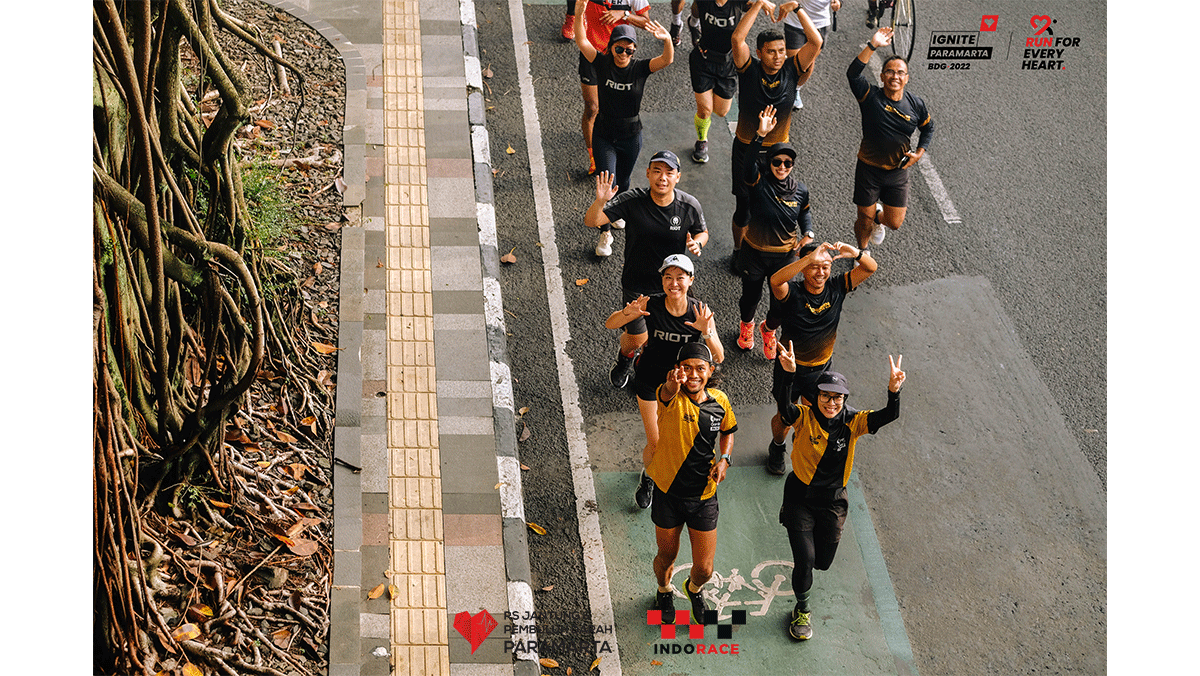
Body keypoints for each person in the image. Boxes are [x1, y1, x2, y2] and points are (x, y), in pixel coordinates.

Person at [775, 347, 905, 640]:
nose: (831, 402)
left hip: (833, 502)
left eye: (837, 397)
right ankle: (802, 610)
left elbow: (889, 415)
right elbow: (784, 408)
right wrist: (788, 374)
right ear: (816, 396)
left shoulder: (854, 421)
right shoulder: (804, 416)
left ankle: (809, 567)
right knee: (805, 560)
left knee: (822, 562)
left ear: (844, 399)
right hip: (799, 497)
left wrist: (893, 391)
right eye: (825, 396)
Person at [605, 254, 725, 509]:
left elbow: (719, 356)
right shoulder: (651, 304)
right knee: (657, 443)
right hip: (650, 381)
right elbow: (610, 324)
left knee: (678, 442)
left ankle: (655, 472)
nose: (674, 283)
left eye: (680, 277)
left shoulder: (700, 312)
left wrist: (707, 332)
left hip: (683, 388)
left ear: (691, 280)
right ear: (661, 281)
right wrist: (627, 313)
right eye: (668, 277)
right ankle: (649, 477)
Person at [585, 152, 709, 388]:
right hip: (637, 283)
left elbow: (702, 232)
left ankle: (660, 371)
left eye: (669, 172)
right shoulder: (633, 200)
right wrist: (600, 201)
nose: (663, 178)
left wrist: (698, 243)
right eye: (657, 171)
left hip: (672, 285)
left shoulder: (688, 205)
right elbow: (592, 221)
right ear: (648, 173)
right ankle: (625, 358)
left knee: (669, 335)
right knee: (638, 338)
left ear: (678, 177)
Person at [763, 241, 876, 474]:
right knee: (785, 417)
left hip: (820, 370)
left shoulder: (837, 287)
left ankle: (803, 445)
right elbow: (775, 281)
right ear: (803, 268)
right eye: (814, 266)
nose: (820, 272)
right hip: (789, 368)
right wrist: (809, 257)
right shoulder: (791, 292)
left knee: (815, 416)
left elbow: (870, 267)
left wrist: (855, 253)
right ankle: (777, 447)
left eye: (825, 267)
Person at [646, 342, 737, 624]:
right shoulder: (670, 397)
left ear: (710, 371)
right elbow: (666, 392)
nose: (693, 374)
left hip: (703, 496)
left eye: (700, 368)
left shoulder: (719, 401)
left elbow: (728, 431)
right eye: (687, 368)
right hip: (668, 493)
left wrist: (725, 459)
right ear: (678, 370)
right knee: (666, 556)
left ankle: (694, 589)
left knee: (705, 569)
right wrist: (672, 384)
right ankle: (664, 590)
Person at [574, 7, 674, 256]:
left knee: (624, 182)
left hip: (631, 135)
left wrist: (667, 40)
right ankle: (605, 232)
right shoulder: (602, 63)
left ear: (634, 51)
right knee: (607, 182)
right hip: (604, 134)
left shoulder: (639, 68)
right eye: (619, 49)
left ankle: (617, 211)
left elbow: (666, 60)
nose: (623, 54)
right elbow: (582, 41)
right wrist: (578, 13)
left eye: (629, 50)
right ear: (611, 48)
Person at [729, 1, 822, 268]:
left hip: (777, 153)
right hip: (746, 148)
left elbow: (815, 42)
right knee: (744, 207)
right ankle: (739, 250)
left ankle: (771, 249)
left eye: (781, 51)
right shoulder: (749, 69)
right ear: (759, 53)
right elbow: (737, 39)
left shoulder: (792, 69)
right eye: (771, 52)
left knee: (776, 203)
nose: (778, 56)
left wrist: (797, 8)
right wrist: (758, 4)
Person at [734, 105, 814, 356]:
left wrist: (809, 233)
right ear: (769, 164)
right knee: (750, 297)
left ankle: (768, 330)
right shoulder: (758, 183)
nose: (782, 167)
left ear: (792, 165)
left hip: (785, 256)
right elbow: (747, 163)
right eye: (777, 162)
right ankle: (746, 327)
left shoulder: (800, 190)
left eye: (787, 163)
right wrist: (760, 135)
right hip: (754, 252)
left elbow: (805, 213)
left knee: (782, 302)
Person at [848, 27, 934, 249]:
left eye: (900, 73)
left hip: (897, 170)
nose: (895, 76)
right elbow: (853, 74)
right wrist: (872, 45)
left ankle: (878, 219)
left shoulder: (916, 104)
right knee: (863, 219)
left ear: (907, 78)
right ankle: (862, 252)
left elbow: (928, 128)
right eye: (890, 72)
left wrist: (919, 153)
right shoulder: (870, 96)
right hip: (868, 169)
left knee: (895, 223)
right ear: (882, 76)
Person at [572, 0, 653, 176]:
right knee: (592, 108)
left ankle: (609, 142)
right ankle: (594, 157)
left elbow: (647, 22)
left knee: (614, 107)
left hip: (618, 57)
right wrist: (576, 13)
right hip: (593, 54)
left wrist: (625, 15)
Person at [679, 0, 755, 164]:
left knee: (721, 111)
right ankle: (702, 140)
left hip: (727, 64)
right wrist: (693, 23)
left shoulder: (738, 2)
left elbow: (751, 7)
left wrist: (761, 4)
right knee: (705, 110)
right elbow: (695, 6)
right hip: (703, 61)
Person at [776, 0, 840, 108]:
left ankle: (796, 89)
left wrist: (838, 3)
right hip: (795, 22)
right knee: (795, 64)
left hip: (820, 24)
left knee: (808, 65)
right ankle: (785, 87)